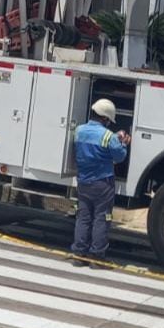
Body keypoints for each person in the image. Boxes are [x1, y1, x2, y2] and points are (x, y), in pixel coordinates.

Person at [71, 98, 130, 267]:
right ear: (105, 118)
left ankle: (79, 254)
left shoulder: (79, 131)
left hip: (83, 181)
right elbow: (119, 156)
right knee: (102, 218)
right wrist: (122, 143)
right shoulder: (108, 136)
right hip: (102, 183)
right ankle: (97, 257)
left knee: (83, 217)